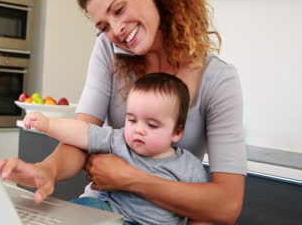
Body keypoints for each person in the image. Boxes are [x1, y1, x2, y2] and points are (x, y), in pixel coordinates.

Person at [0, 0, 246, 224]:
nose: (115, 31)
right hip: (104, 208)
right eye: (103, 26)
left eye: (119, 9)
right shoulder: (108, 50)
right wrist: (46, 170)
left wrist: (131, 179)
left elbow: (226, 205)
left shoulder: (218, 79)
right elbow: (83, 137)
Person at [20, 73, 210, 225]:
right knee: (72, 211)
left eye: (152, 125)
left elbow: (199, 212)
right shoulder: (118, 140)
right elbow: (83, 133)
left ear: (176, 132)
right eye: (132, 120)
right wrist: (48, 124)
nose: (139, 130)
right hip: (105, 211)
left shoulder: (190, 167)